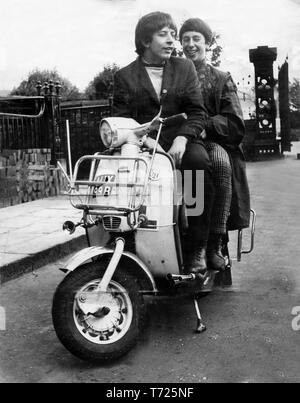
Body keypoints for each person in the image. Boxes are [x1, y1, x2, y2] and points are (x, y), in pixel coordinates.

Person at [113, 11, 215, 274]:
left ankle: (196, 247)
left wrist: (182, 138)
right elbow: (122, 120)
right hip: (142, 144)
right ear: (146, 41)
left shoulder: (184, 68)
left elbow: (197, 112)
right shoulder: (125, 76)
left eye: (172, 34)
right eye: (164, 34)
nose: (172, 40)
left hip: (181, 140)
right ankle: (124, 241)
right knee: (120, 174)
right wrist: (145, 140)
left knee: (196, 167)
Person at [179, 18, 250, 270]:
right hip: (182, 139)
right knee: (188, 175)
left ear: (207, 43)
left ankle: (213, 241)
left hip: (211, 140)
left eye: (196, 39)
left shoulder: (220, 78)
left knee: (219, 165)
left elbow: (233, 121)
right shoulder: (175, 74)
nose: (190, 44)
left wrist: (205, 126)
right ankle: (189, 242)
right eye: (185, 39)